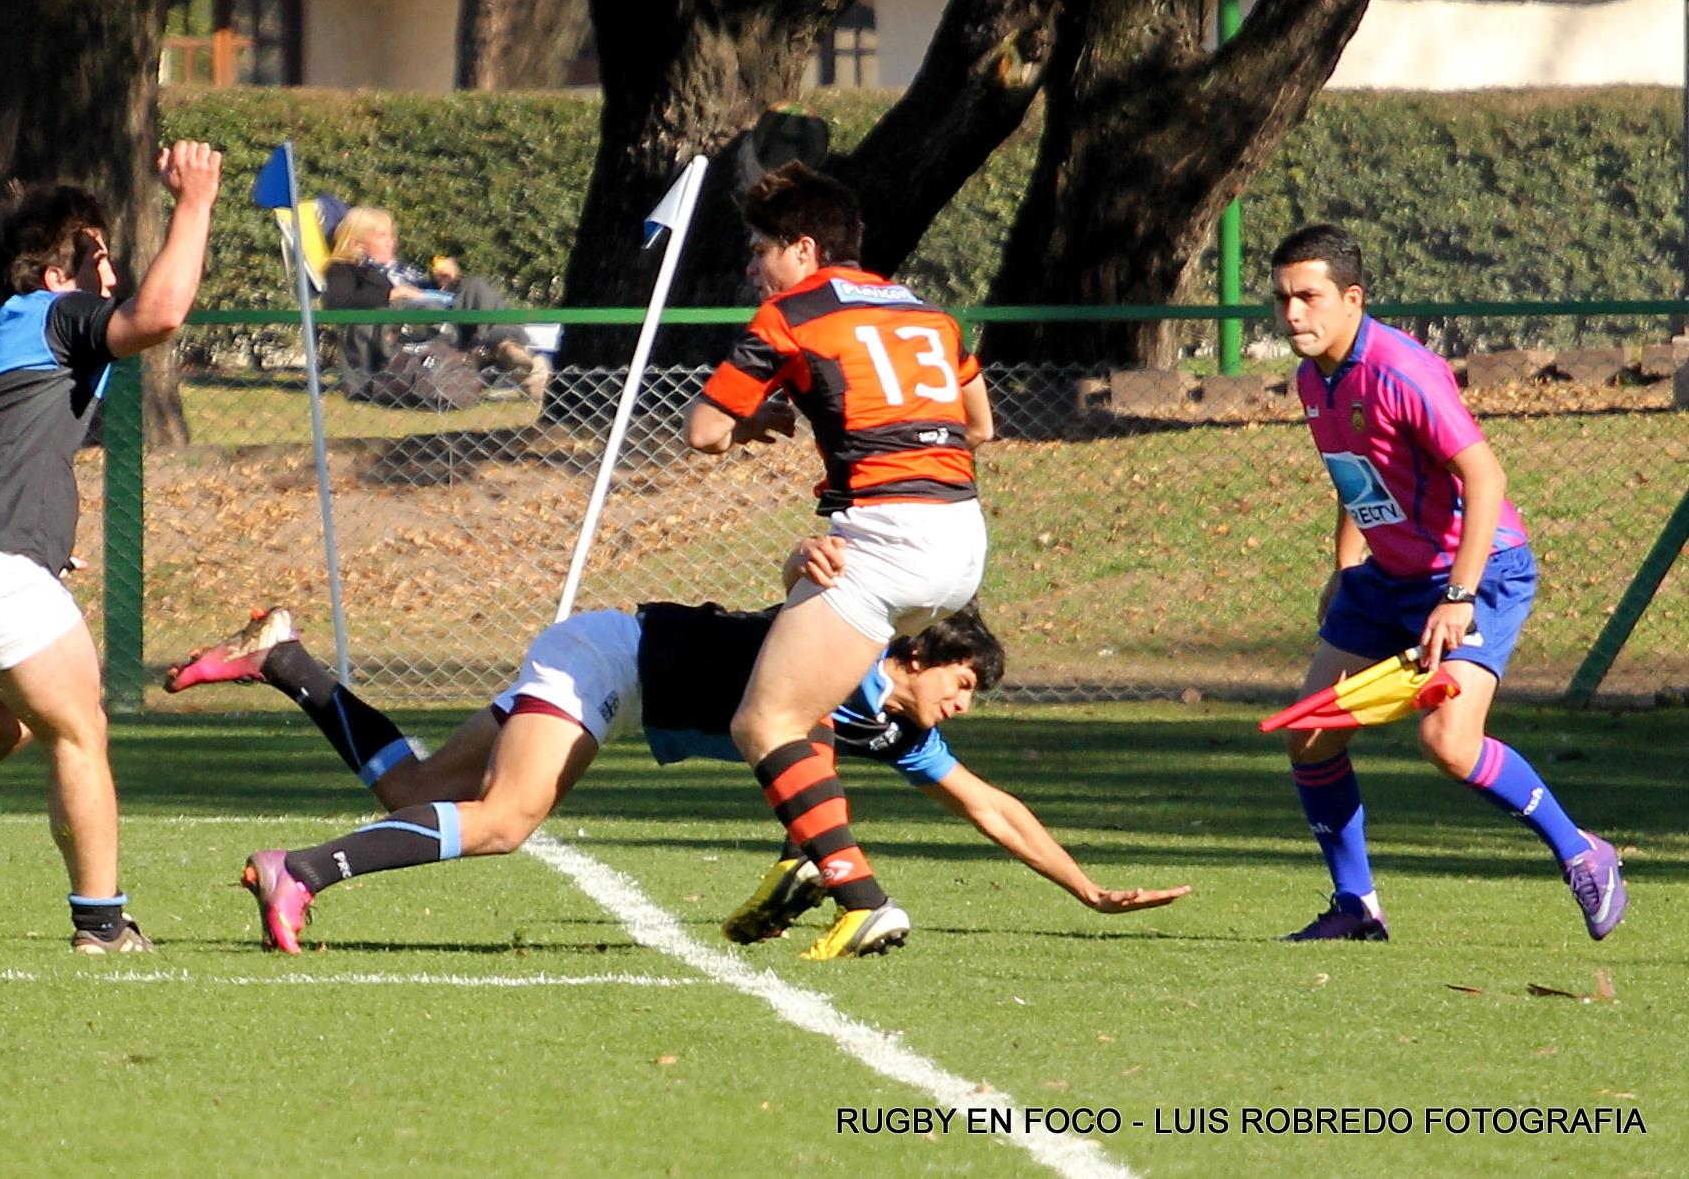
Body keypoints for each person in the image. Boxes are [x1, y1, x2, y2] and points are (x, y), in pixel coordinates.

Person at [161, 575, 1189, 958]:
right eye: (965, 683)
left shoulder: (897, 728)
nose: (965, 706)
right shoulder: (847, 652)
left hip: (611, 670)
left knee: (416, 793)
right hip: (611, 657)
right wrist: (802, 557)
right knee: (511, 817)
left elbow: (989, 805)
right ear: (919, 655)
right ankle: (301, 870)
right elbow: (804, 579)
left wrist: (1089, 889)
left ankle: (283, 659)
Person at [0, 140, 223, 954]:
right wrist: (195, 202)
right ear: (58, 275)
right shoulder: (53, 314)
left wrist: (31, 543)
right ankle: (102, 925)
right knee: (81, 730)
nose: (114, 278)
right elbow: (160, 318)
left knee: (31, 710)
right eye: (100, 257)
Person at [1270, 222, 1625, 942]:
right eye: (1281, 300)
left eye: (1307, 297)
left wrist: (1458, 597)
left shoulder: (1401, 370)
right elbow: (1356, 476)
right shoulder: (1315, 378)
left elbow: (1485, 476)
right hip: (1389, 575)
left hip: (1479, 569)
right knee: (1310, 735)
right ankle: (1356, 907)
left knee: (1449, 741)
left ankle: (1584, 851)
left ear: (1352, 298)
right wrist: (1344, 570)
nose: (1291, 315)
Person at [681, 161, 994, 956]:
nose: (755, 267)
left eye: (761, 250)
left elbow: (704, 432)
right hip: (960, 542)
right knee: (809, 707)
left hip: (886, 538)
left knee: (762, 720)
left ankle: (860, 894)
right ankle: (804, 858)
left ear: (805, 248)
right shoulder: (930, 314)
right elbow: (978, 424)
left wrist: (756, 423)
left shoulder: (791, 315)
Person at [322, 205, 548, 402]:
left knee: (474, 286)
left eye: (392, 235)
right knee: (427, 308)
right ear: (356, 242)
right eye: (382, 236)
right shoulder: (345, 269)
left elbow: (421, 292)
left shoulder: (399, 269)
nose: (392, 242)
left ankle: (508, 347)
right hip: (395, 326)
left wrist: (443, 285)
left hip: (427, 316)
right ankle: (509, 362)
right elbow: (335, 303)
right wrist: (389, 296)